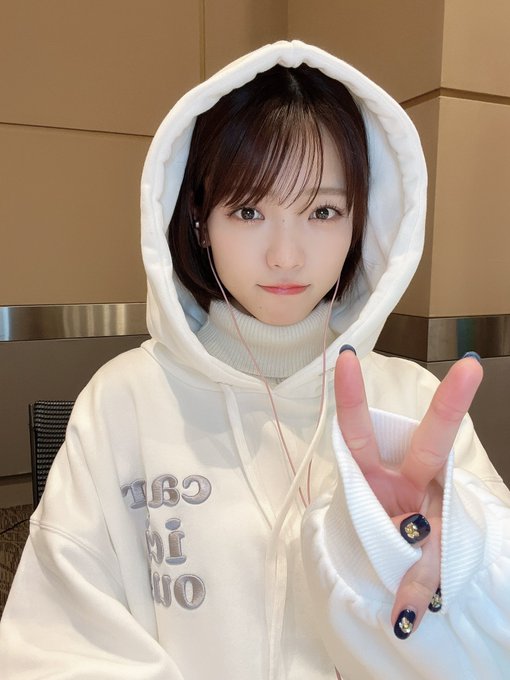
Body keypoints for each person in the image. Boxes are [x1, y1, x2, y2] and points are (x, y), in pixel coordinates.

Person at [1, 40, 509, 679]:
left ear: (360, 221)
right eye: (248, 210)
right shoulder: (123, 401)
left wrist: (463, 558)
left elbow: (493, 644)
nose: (286, 256)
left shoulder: (413, 406)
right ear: (199, 219)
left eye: (322, 210)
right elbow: (55, 644)